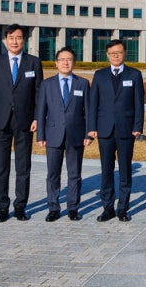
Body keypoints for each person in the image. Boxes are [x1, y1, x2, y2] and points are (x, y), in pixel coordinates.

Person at [0, 23, 43, 223]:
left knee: (23, 166)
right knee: (0, 166)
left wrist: (37, 117)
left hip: (25, 121)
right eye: (11, 38)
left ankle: (20, 206)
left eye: (18, 37)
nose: (15, 41)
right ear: (6, 40)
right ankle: (2, 207)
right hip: (0, 121)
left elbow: (38, 94)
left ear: (23, 40)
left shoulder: (33, 63)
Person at [87, 39, 144, 222]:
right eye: (112, 53)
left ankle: (123, 208)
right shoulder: (100, 75)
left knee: (125, 170)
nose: (116, 56)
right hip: (104, 129)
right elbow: (92, 103)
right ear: (107, 55)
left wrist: (137, 127)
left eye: (119, 52)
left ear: (125, 53)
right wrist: (92, 127)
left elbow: (138, 103)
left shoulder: (134, 74)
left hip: (126, 130)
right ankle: (108, 207)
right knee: (107, 170)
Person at [35, 47, 92, 222]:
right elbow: (41, 111)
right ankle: (53, 207)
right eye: (62, 59)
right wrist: (40, 135)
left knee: (74, 174)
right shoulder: (46, 84)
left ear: (74, 62)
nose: (66, 62)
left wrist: (88, 134)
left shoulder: (82, 83)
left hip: (76, 135)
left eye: (69, 59)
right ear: (56, 63)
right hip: (53, 134)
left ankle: (73, 208)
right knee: (53, 173)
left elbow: (88, 111)